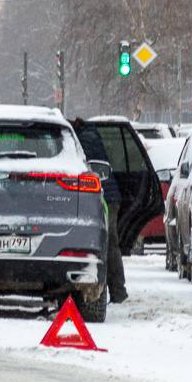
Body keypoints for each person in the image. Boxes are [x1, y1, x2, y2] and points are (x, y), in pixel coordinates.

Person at [70, 117, 128, 304]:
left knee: (108, 244)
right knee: (110, 244)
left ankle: (117, 291)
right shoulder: (91, 135)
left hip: (105, 197)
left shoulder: (84, 140)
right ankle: (116, 290)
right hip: (109, 195)